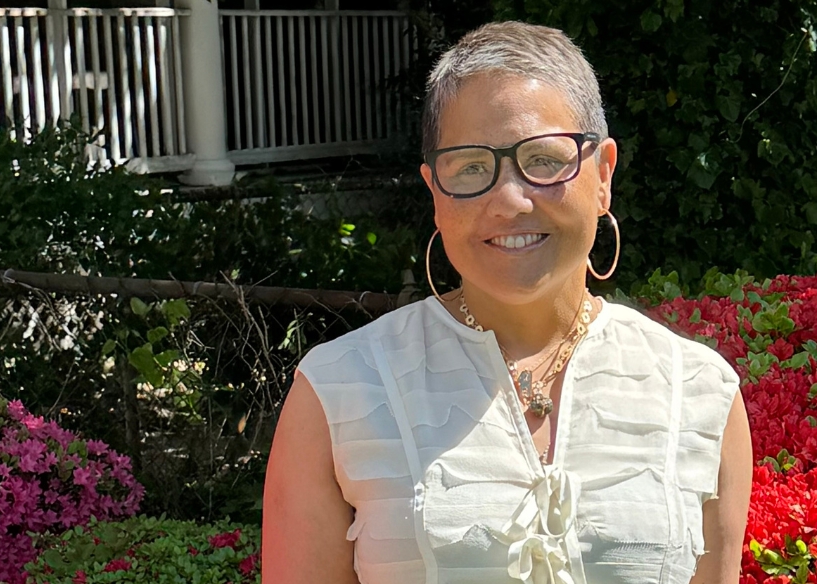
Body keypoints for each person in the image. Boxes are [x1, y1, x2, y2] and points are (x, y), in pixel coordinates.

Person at [262, 21, 752, 584]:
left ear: (603, 176)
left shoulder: (697, 393)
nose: (510, 199)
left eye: (543, 159)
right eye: (470, 166)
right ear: (435, 195)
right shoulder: (339, 390)